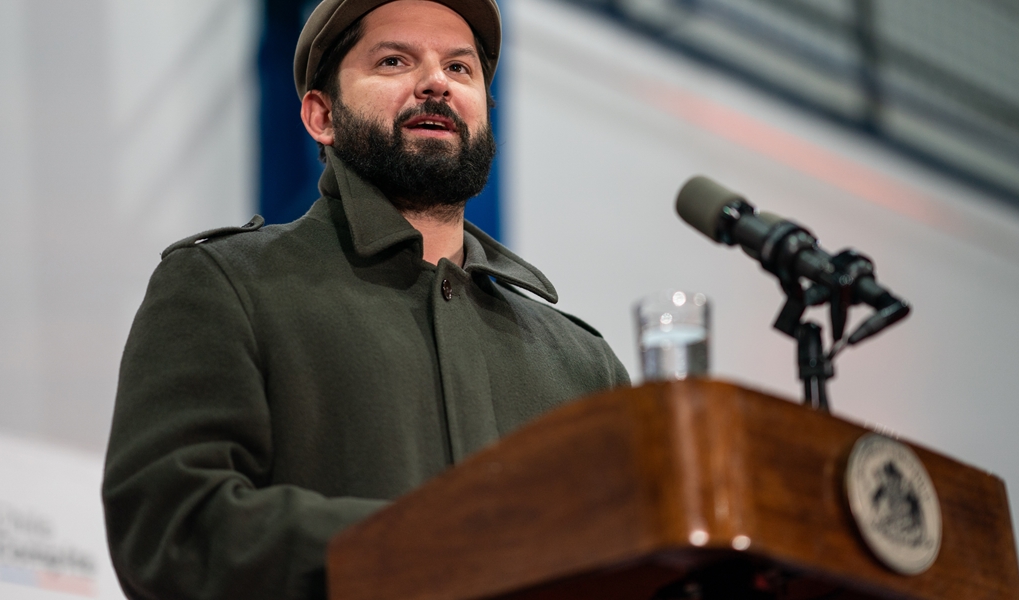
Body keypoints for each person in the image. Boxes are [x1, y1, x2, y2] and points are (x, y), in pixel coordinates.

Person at [101, 0, 629, 598]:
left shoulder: (583, 365)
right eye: (395, 61)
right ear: (321, 116)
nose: (436, 82)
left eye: (460, 68)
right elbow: (171, 529)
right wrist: (433, 544)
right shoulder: (225, 284)